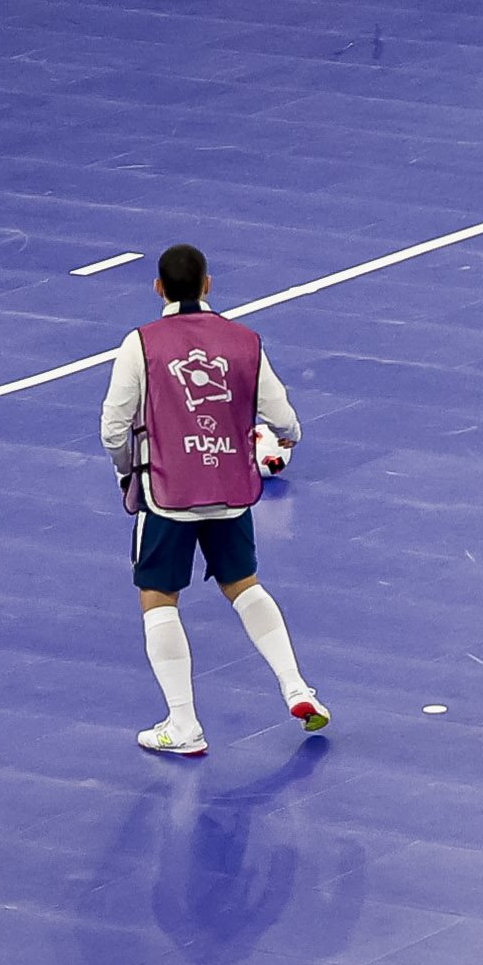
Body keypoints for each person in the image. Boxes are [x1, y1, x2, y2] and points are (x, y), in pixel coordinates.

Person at [95, 241, 327, 757]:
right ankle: (296, 687)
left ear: (158, 288)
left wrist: (127, 470)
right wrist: (285, 438)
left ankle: (184, 725)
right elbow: (282, 416)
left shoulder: (141, 344)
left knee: (158, 598)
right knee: (244, 586)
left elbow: (113, 427)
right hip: (228, 489)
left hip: (167, 493)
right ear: (208, 285)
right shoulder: (244, 341)